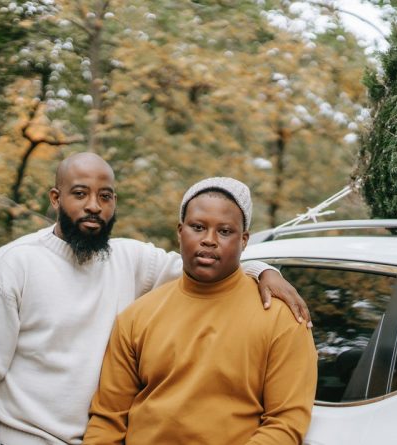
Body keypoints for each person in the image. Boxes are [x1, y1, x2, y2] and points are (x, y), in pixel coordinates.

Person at [0, 154, 311, 445]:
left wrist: (265, 270)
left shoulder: (129, 258)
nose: (94, 206)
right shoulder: (13, 265)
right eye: (80, 193)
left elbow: (208, 265)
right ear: (55, 198)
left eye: (105, 196)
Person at [84, 177, 318, 445]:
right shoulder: (136, 316)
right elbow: (107, 421)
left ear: (244, 241)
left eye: (225, 231)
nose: (209, 240)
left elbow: (285, 423)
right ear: (180, 231)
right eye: (198, 227)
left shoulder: (282, 318)